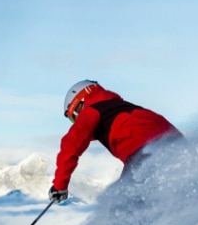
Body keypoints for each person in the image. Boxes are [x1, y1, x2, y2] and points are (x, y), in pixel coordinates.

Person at [49, 80, 182, 203]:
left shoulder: (92, 110)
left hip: (143, 150)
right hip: (175, 143)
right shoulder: (122, 107)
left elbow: (71, 144)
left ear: (80, 104)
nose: (76, 122)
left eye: (74, 117)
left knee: (123, 204)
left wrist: (59, 186)